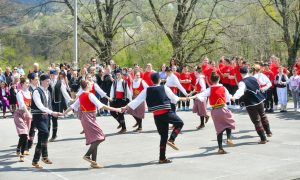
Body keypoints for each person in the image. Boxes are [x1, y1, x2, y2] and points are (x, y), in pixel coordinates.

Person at [123, 73, 188, 163]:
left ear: (151, 81)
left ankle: (162, 158)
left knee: (163, 136)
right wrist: (183, 99)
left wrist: (126, 107)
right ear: (159, 80)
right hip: (166, 113)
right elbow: (173, 98)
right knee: (180, 123)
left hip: (157, 116)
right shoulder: (164, 87)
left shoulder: (147, 90)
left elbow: (137, 100)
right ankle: (172, 139)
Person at [63, 80, 121, 168]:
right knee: (101, 137)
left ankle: (94, 162)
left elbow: (72, 106)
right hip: (89, 117)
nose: (92, 85)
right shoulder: (90, 95)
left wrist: (63, 113)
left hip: (85, 118)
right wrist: (116, 109)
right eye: (90, 83)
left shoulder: (81, 95)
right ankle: (87, 155)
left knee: (95, 139)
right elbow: (101, 105)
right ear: (86, 85)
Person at [190, 72, 235, 154]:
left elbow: (200, 95)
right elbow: (229, 97)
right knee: (229, 123)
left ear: (210, 80)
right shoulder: (223, 88)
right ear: (219, 79)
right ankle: (228, 138)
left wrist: (189, 97)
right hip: (223, 108)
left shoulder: (210, 89)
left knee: (219, 130)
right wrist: (233, 98)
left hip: (214, 111)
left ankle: (220, 148)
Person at [232, 67, 272, 144]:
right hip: (259, 99)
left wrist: (234, 97)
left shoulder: (242, 82)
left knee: (256, 120)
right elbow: (262, 83)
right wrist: (264, 88)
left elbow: (240, 91)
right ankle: (268, 132)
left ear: (240, 74)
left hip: (250, 103)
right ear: (247, 71)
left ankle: (263, 139)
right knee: (263, 116)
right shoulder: (254, 78)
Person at [31, 74, 62, 169]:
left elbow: (48, 105)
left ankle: (41, 158)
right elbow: (40, 106)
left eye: (49, 81)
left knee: (44, 136)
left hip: (46, 117)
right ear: (42, 81)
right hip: (38, 116)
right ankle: (40, 157)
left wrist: (52, 113)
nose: (49, 82)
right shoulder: (36, 91)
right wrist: (52, 112)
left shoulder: (48, 92)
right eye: (48, 81)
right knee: (44, 132)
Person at [49, 71, 73, 142]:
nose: (53, 76)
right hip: (48, 103)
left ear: (56, 75)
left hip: (56, 103)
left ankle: (54, 135)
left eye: (54, 75)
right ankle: (46, 135)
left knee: (54, 119)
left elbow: (64, 92)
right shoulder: (48, 82)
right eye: (51, 75)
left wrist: (70, 99)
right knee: (47, 119)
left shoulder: (60, 82)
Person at [14, 78, 32, 162]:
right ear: (22, 84)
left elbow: (32, 105)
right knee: (24, 133)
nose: (28, 84)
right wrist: (28, 112)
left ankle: (18, 147)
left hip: (27, 114)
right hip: (19, 114)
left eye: (28, 83)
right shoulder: (19, 93)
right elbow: (22, 104)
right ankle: (22, 155)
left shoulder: (30, 93)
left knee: (25, 134)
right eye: (26, 83)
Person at [110, 69, 132, 133]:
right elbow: (112, 90)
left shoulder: (124, 82)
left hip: (122, 99)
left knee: (120, 113)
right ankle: (120, 122)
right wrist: (111, 97)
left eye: (119, 74)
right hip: (115, 99)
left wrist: (130, 100)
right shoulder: (114, 82)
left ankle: (124, 128)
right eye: (117, 75)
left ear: (121, 75)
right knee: (112, 112)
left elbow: (127, 91)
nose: (118, 76)